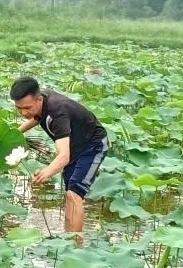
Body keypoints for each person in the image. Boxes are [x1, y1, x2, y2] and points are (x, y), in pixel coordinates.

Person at [10, 76, 109, 234]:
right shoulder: (41, 101)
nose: (23, 112)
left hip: (93, 145)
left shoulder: (58, 112)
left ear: (39, 99)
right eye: (19, 108)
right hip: (73, 145)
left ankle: (75, 243)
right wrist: (14, 133)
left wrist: (46, 172)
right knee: (70, 191)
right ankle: (69, 237)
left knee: (74, 192)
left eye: (27, 107)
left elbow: (63, 156)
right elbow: (37, 117)